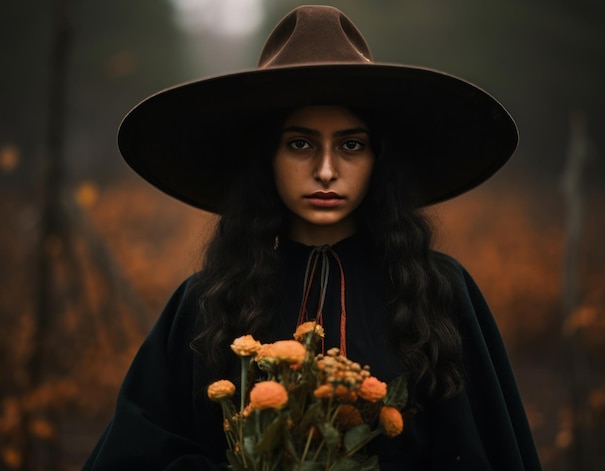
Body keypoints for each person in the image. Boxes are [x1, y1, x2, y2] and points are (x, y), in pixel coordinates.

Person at [84, 5, 542, 470]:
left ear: (378, 160)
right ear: (267, 158)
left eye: (351, 144)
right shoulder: (206, 300)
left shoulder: (437, 289)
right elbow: (137, 451)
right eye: (300, 144)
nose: (326, 171)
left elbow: (484, 450)